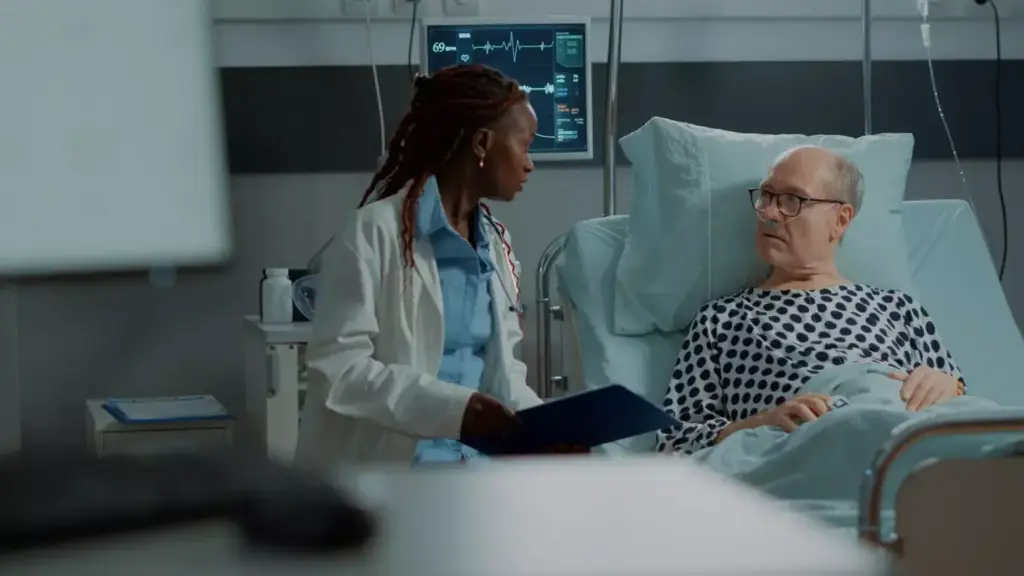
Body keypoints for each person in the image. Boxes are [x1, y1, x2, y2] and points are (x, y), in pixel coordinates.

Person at [294, 64, 573, 469]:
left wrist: (550, 430)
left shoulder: (495, 244)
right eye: (525, 145)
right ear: (481, 143)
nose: (530, 164)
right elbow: (341, 371)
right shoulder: (373, 233)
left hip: (479, 468)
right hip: (396, 469)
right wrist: (457, 410)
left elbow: (504, 376)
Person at [655, 146, 967, 456]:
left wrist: (948, 387)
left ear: (841, 220)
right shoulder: (721, 319)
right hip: (811, 445)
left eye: (792, 200)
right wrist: (760, 424)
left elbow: (963, 405)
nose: (769, 213)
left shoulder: (898, 309)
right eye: (766, 195)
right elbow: (673, 443)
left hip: (913, 434)